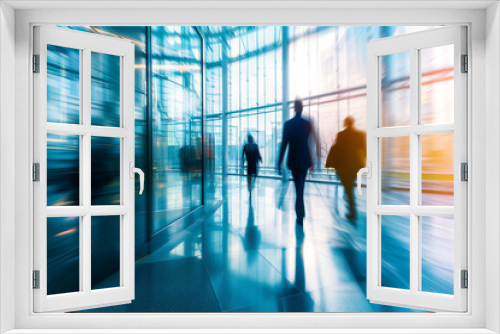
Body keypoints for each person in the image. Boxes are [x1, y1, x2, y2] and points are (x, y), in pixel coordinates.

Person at [278, 99, 321, 225]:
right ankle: (301, 213)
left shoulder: (288, 124)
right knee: (300, 186)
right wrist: (315, 158)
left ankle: (300, 214)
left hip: (293, 161)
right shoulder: (307, 123)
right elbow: (313, 141)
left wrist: (279, 162)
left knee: (299, 187)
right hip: (305, 160)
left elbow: (284, 144)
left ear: (295, 108)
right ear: (301, 108)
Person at [326, 116, 366, 220]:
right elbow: (365, 150)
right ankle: (350, 205)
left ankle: (352, 211)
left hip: (344, 166)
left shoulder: (341, 135)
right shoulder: (360, 135)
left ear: (345, 123)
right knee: (349, 187)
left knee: (348, 188)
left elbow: (337, 150)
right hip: (355, 166)